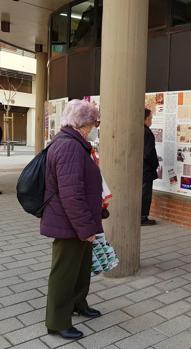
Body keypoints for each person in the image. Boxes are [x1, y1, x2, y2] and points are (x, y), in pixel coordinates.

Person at [42, 99, 103, 340]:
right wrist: (86, 228)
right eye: (94, 122)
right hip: (70, 224)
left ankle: (78, 304)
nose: (95, 126)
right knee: (64, 273)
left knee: (80, 268)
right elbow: (71, 194)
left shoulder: (76, 143)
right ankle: (56, 322)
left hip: (78, 220)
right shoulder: (69, 146)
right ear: (83, 123)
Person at [142, 108, 159, 226]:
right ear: (146, 119)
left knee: (142, 193)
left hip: (140, 169)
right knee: (145, 194)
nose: (151, 120)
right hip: (146, 170)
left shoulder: (139, 130)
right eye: (151, 118)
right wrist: (155, 164)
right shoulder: (147, 132)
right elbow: (148, 153)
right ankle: (143, 217)